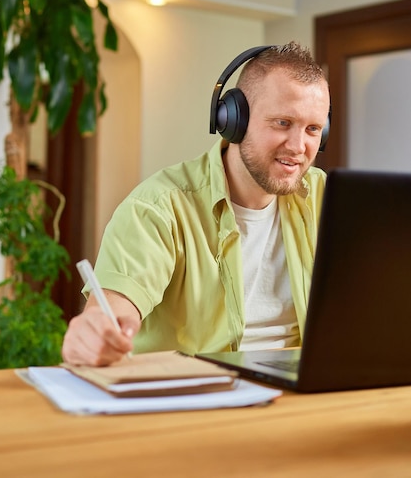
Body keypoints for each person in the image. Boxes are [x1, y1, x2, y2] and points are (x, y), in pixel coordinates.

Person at [62, 42, 331, 366]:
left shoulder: (325, 197)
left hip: (297, 396)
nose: (298, 146)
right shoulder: (158, 208)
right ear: (233, 119)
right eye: (282, 123)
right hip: (194, 395)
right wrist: (92, 336)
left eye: (313, 129)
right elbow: (111, 312)